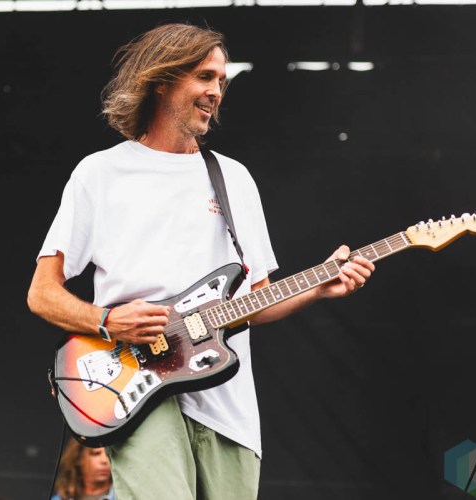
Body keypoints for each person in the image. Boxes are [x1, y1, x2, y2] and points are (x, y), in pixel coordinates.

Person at [27, 22, 375, 499]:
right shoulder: (100, 173)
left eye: (221, 81)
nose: (216, 91)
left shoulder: (234, 179)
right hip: (136, 391)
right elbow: (42, 293)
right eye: (205, 77)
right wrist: (106, 320)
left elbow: (255, 301)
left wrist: (317, 288)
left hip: (227, 401)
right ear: (161, 79)